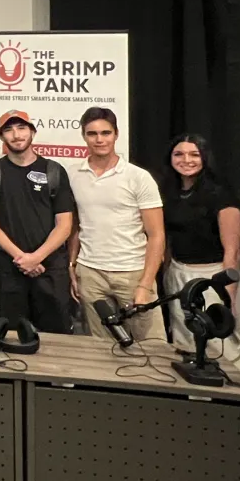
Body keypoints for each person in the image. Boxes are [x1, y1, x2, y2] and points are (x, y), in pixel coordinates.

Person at [0, 110, 77, 334]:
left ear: (32, 132)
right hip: (9, 270)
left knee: (57, 338)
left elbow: (65, 224)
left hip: (50, 270)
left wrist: (36, 258)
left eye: (21, 128)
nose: (16, 135)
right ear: (1, 136)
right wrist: (21, 258)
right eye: (8, 130)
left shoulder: (54, 171)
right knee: (11, 338)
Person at [158, 133, 240, 376]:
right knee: (187, 344)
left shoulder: (221, 194)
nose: (186, 159)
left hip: (214, 278)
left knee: (223, 347)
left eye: (194, 154)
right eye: (179, 154)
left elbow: (233, 250)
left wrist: (228, 298)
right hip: (179, 275)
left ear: (205, 158)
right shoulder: (169, 192)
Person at [71, 107, 165, 342]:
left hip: (133, 273)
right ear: (84, 136)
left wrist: (145, 285)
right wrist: (72, 266)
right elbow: (74, 227)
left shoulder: (138, 177)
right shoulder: (72, 174)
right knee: (102, 348)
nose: (99, 139)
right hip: (90, 273)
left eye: (106, 132)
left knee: (152, 346)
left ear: (116, 134)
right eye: (92, 134)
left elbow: (156, 235)